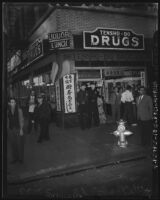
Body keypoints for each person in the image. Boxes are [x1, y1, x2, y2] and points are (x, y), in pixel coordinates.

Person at [7, 97, 24, 164]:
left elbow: (21, 119)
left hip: (17, 129)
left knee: (19, 144)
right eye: (11, 102)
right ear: (9, 103)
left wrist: (21, 129)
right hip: (10, 129)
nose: (12, 103)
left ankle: (20, 159)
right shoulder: (7, 111)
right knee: (12, 144)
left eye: (13, 102)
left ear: (15, 103)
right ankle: (14, 158)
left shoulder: (19, 110)